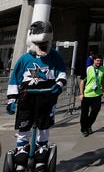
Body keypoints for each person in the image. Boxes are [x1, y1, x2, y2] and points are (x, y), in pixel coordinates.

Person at [6, 21, 67, 172]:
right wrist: (12, 100)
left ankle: (42, 149)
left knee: (43, 124)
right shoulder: (24, 59)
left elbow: (61, 72)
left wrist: (58, 85)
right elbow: (15, 79)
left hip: (47, 96)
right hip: (27, 97)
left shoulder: (54, 56)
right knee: (24, 123)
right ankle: (21, 150)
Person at [79, 54, 104, 136]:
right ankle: (84, 129)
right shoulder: (88, 69)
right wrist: (81, 94)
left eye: (100, 61)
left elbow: (103, 81)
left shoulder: (102, 69)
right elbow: (82, 82)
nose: (99, 62)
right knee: (84, 113)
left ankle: (88, 125)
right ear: (94, 60)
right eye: (97, 60)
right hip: (87, 94)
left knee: (95, 111)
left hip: (97, 94)